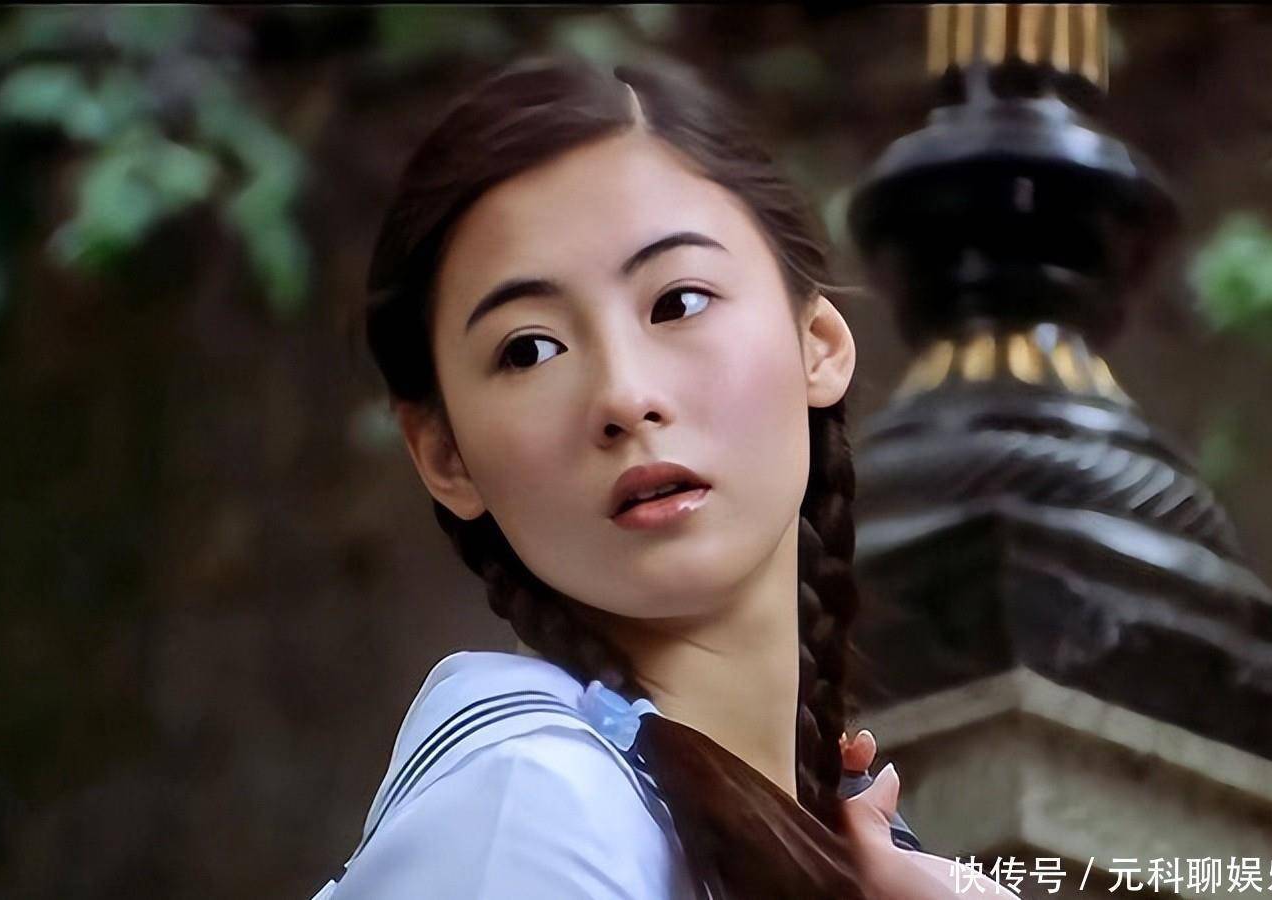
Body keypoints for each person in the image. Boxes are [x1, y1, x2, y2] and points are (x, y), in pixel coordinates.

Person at [313, 53, 1016, 899]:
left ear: (818, 344)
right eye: (529, 349)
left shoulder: (809, 839)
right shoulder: (527, 806)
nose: (624, 395)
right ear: (444, 455)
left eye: (677, 302)